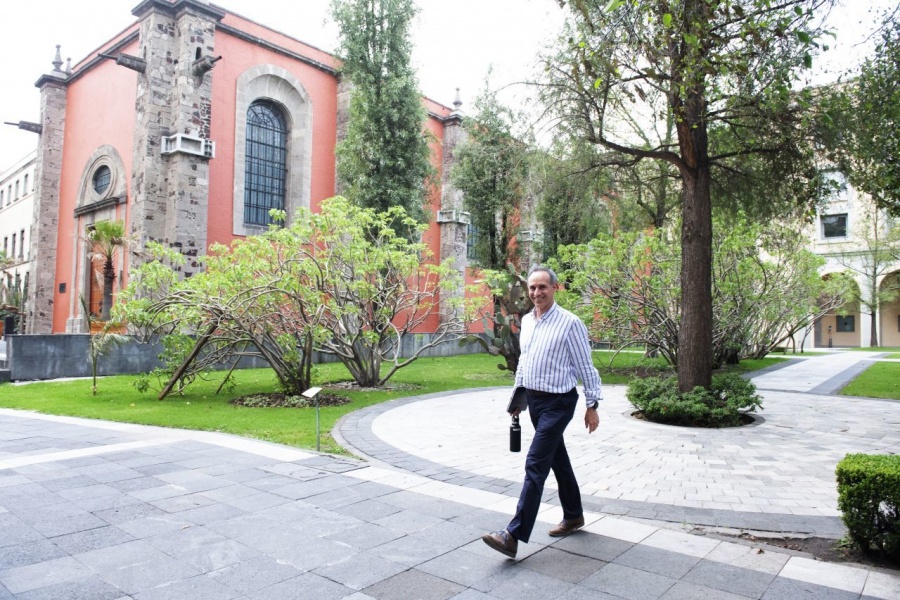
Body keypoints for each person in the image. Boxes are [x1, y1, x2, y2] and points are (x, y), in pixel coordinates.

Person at [482, 265, 602, 559]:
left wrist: (592, 405)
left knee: (535, 463)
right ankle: (574, 515)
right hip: (534, 402)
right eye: (532, 288)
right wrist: (517, 401)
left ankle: (513, 534)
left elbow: (586, 367)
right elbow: (525, 365)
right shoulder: (527, 321)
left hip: (559, 404)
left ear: (554, 289)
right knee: (557, 460)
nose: (536, 293)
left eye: (542, 287)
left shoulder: (570, 323)